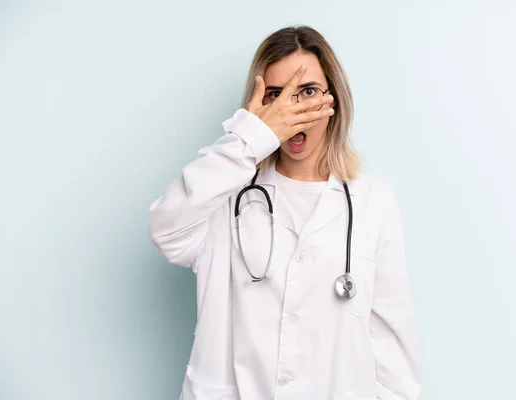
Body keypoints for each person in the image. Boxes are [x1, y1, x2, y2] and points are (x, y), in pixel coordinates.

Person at [148, 25, 421, 400]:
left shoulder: (373, 201)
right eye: (276, 96)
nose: (291, 109)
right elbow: (166, 229)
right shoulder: (227, 194)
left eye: (307, 92)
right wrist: (251, 139)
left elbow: (393, 348)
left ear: (333, 101)